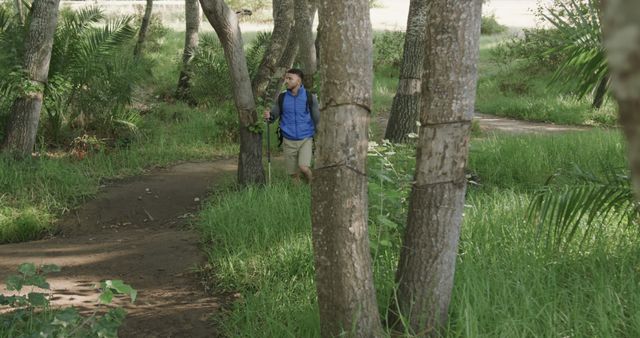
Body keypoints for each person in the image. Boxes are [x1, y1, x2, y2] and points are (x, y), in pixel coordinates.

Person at [264, 68, 319, 183]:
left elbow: (316, 117)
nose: (286, 81)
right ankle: (298, 193)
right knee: (293, 174)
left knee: (304, 167)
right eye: (286, 78)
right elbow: (274, 115)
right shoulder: (282, 97)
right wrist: (269, 116)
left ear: (298, 81)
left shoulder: (309, 97)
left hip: (305, 138)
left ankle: (314, 183)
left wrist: (319, 134)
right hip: (288, 139)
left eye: (290, 78)